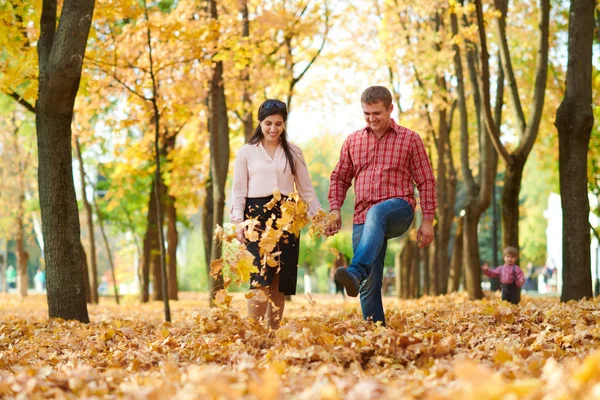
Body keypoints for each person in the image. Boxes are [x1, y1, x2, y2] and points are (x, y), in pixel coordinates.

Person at [327, 86, 437, 326]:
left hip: (399, 209)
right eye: (366, 113)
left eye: (377, 113)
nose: (371, 118)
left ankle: (355, 271)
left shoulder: (410, 139)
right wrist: (335, 209)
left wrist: (427, 221)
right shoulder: (353, 141)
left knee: (377, 212)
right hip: (363, 216)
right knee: (368, 283)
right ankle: (376, 333)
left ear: (390, 109)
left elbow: (426, 181)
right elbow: (340, 178)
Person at [230, 99, 322, 329]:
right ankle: (255, 332)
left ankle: (272, 334)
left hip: (287, 219)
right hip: (256, 219)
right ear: (260, 123)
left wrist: (320, 216)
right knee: (260, 279)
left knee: (280, 282)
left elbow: (306, 190)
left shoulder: (293, 152)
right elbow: (239, 191)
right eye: (268, 123)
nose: (273, 129)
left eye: (278, 124)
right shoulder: (246, 153)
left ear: (284, 124)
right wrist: (239, 223)